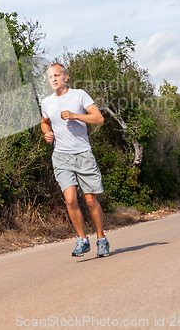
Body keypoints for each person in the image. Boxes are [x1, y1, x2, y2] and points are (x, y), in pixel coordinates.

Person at [41, 62, 110, 257]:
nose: (53, 79)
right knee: (70, 200)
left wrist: (75, 116)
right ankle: (82, 239)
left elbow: (98, 118)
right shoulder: (47, 102)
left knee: (90, 201)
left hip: (83, 154)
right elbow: (44, 122)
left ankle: (101, 239)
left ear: (66, 77)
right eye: (50, 77)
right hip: (61, 156)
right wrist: (47, 133)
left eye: (57, 75)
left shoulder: (79, 95)